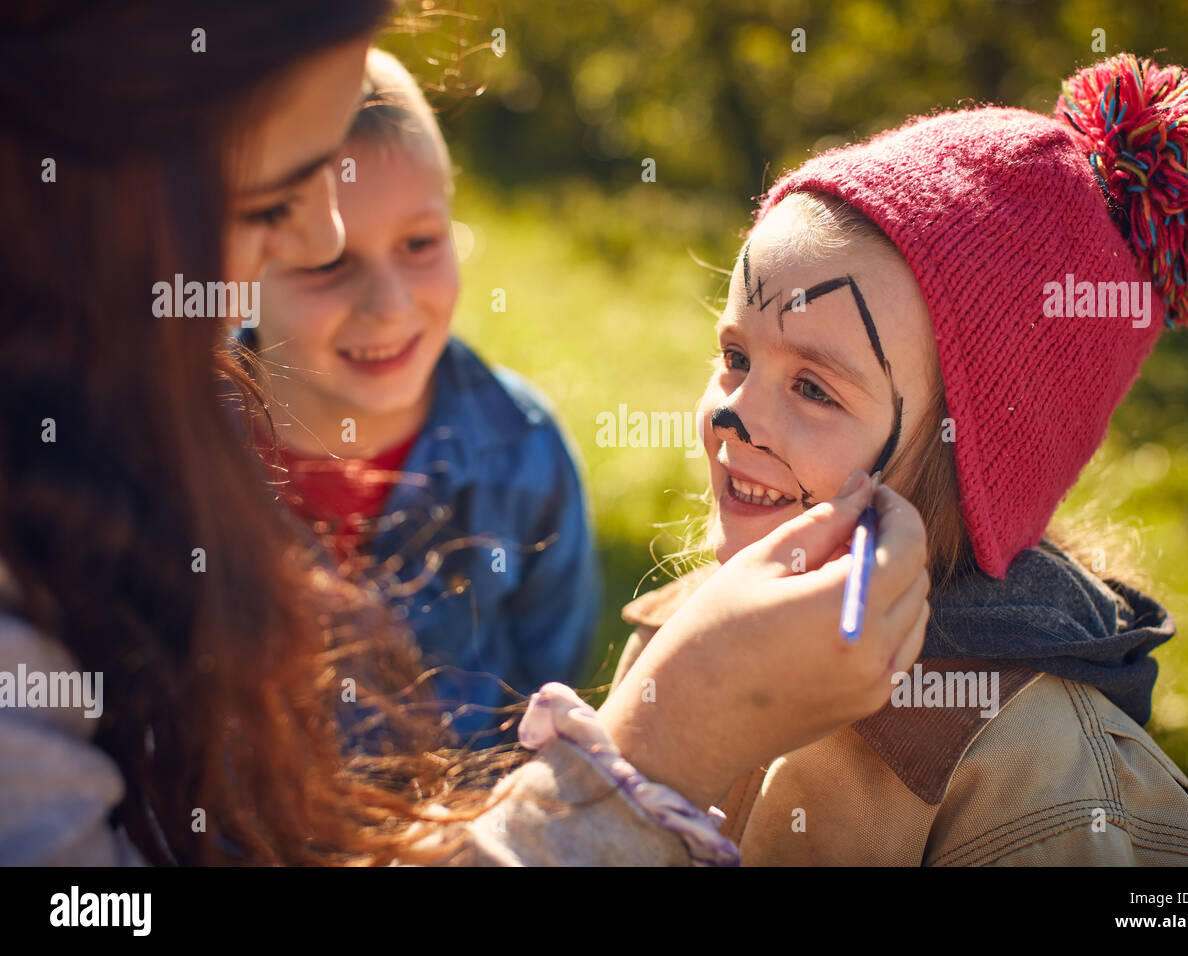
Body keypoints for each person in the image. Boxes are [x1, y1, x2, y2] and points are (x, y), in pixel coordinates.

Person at [0, 0, 930, 865]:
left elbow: (533, 693)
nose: (320, 233)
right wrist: (661, 747)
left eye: (814, 383)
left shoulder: (517, 456)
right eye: (272, 202)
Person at [613, 53, 1188, 865]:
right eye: (737, 355)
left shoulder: (1055, 799)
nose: (732, 412)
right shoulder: (685, 630)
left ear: (974, 463)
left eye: (816, 389)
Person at [242, 49, 599, 747]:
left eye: (419, 243)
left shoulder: (523, 453)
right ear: (240, 262)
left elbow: (555, 689)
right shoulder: (175, 440)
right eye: (327, 262)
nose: (388, 303)